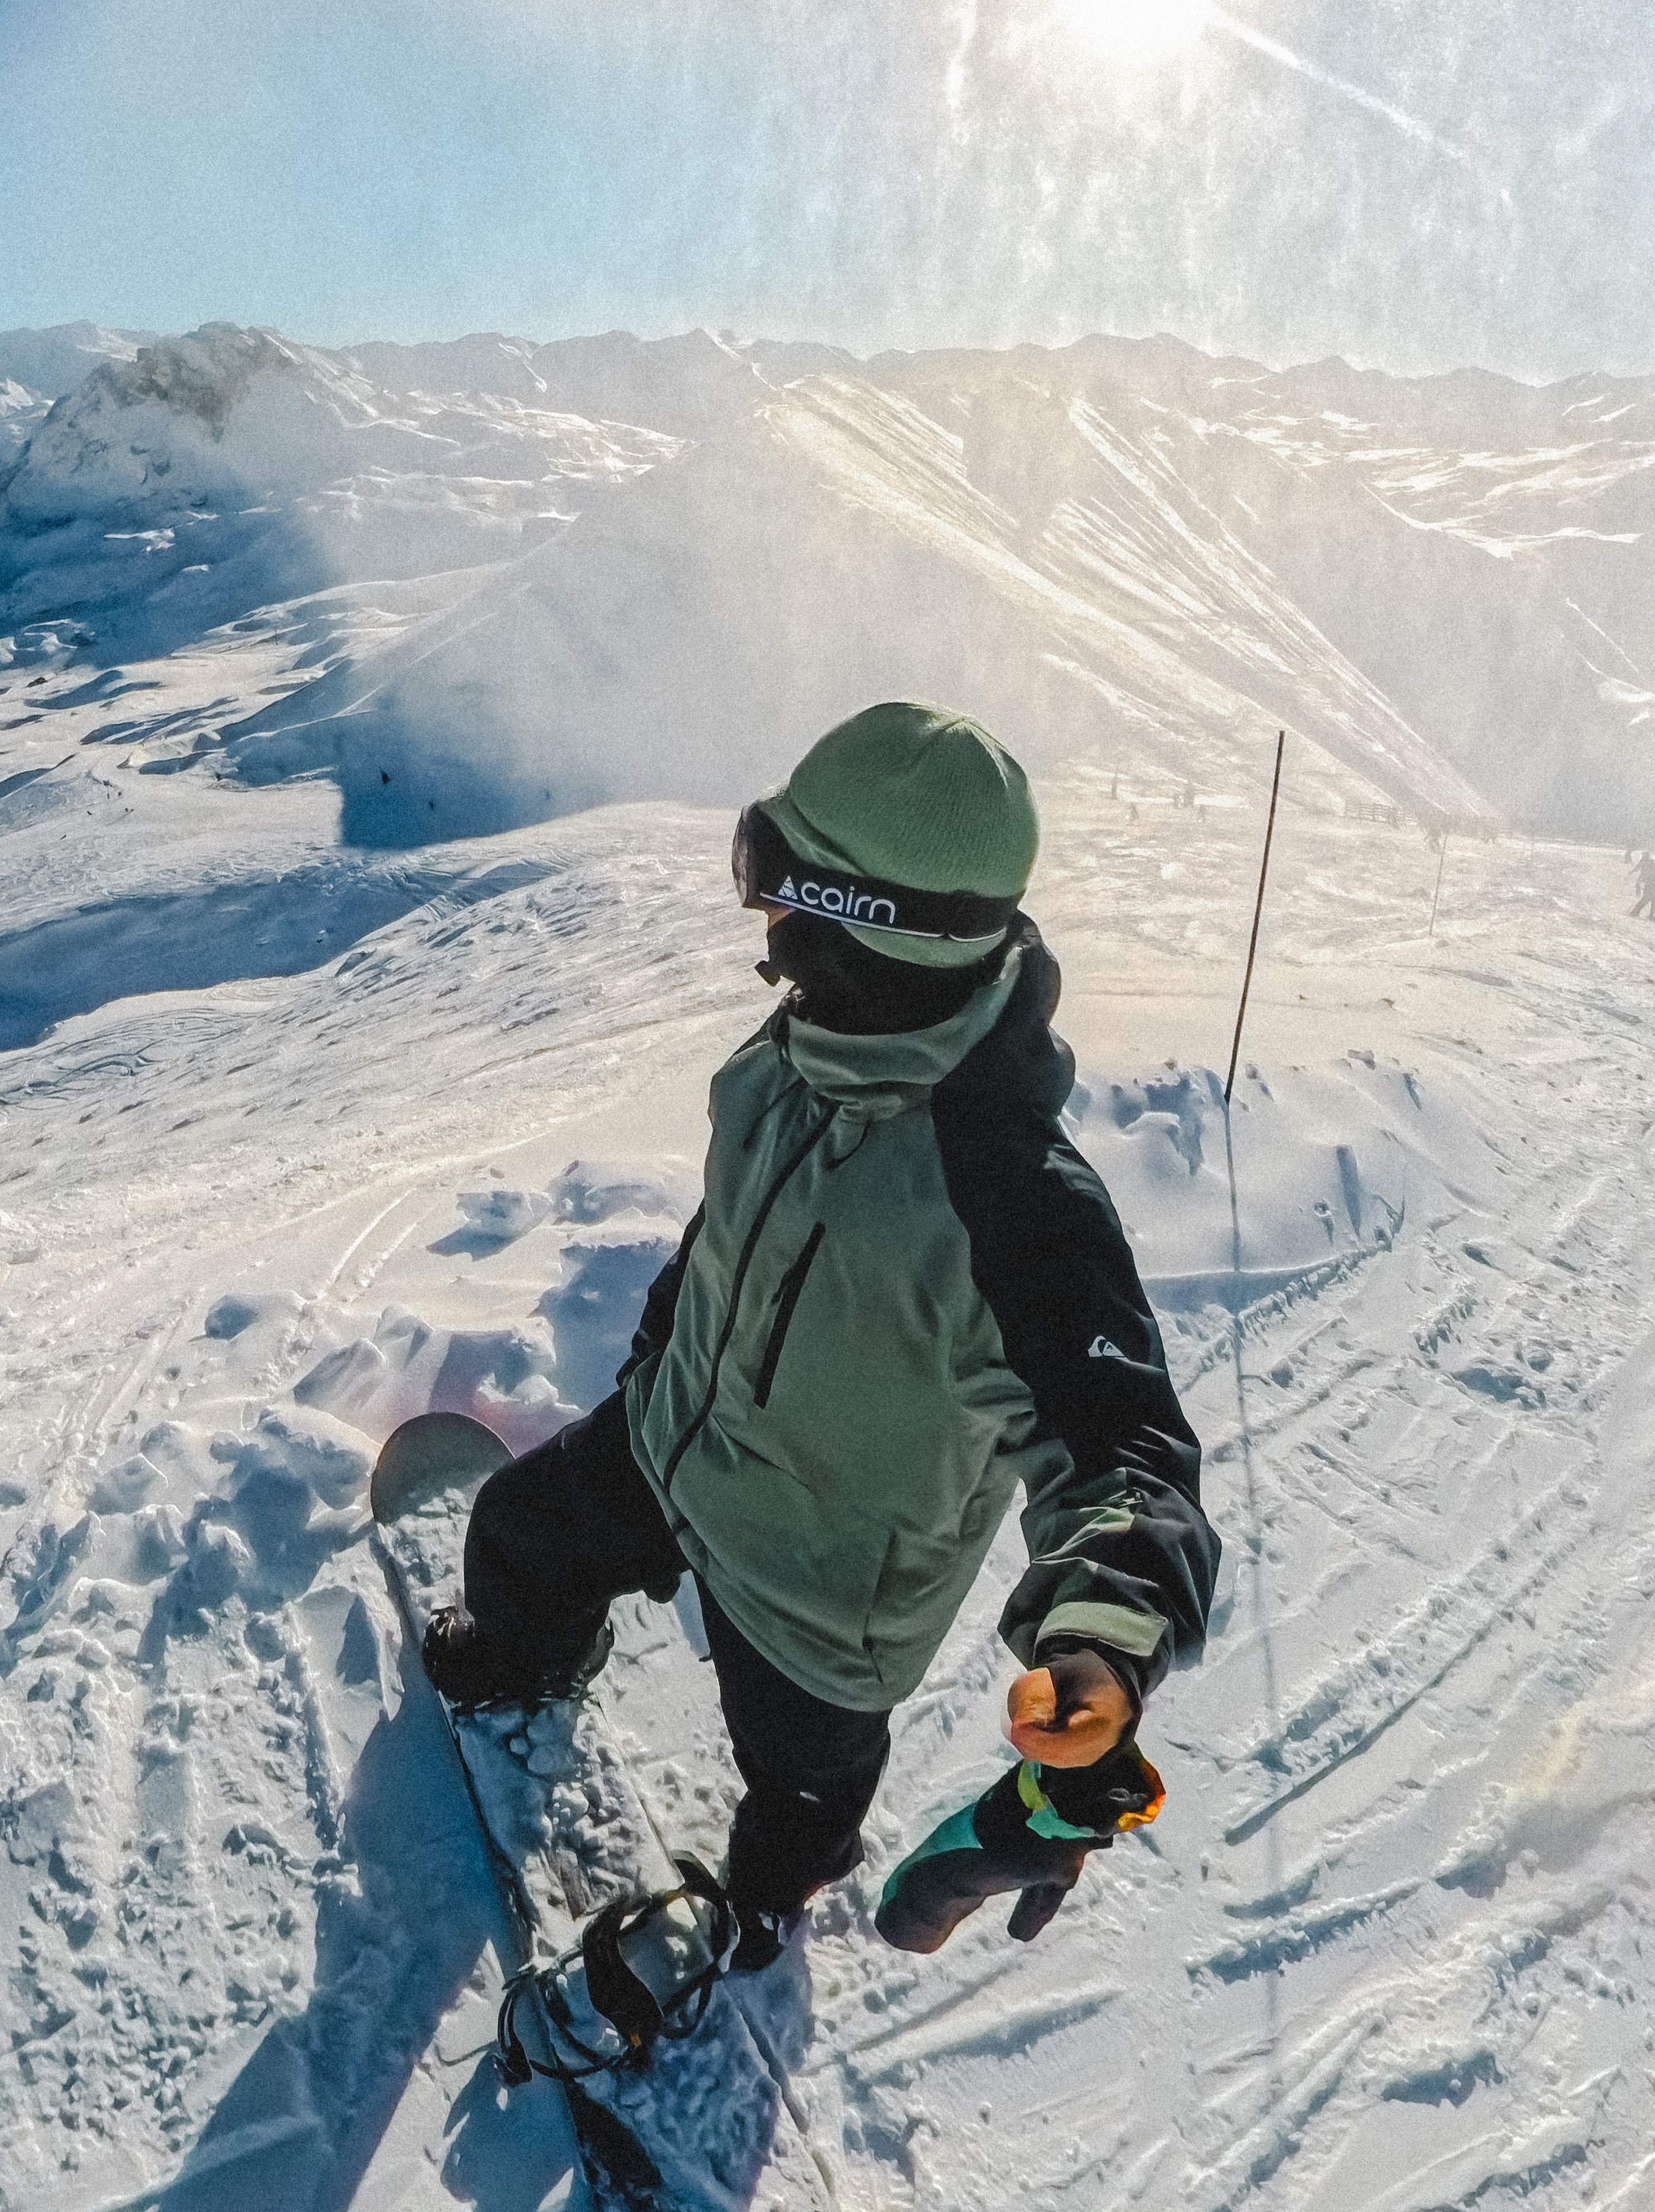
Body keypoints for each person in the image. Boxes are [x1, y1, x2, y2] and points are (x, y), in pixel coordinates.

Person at [422, 700, 1220, 1967]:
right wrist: (657, 1358)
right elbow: (733, 1225)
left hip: (819, 1598)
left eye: (788, 887)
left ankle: (771, 1899)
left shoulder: (1019, 1207)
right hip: (673, 1440)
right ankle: (527, 1666)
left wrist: (1102, 1643)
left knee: (796, 1801)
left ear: (884, 930)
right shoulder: (805, 1045)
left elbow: (1126, 1461)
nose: (768, 927)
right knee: (515, 1538)